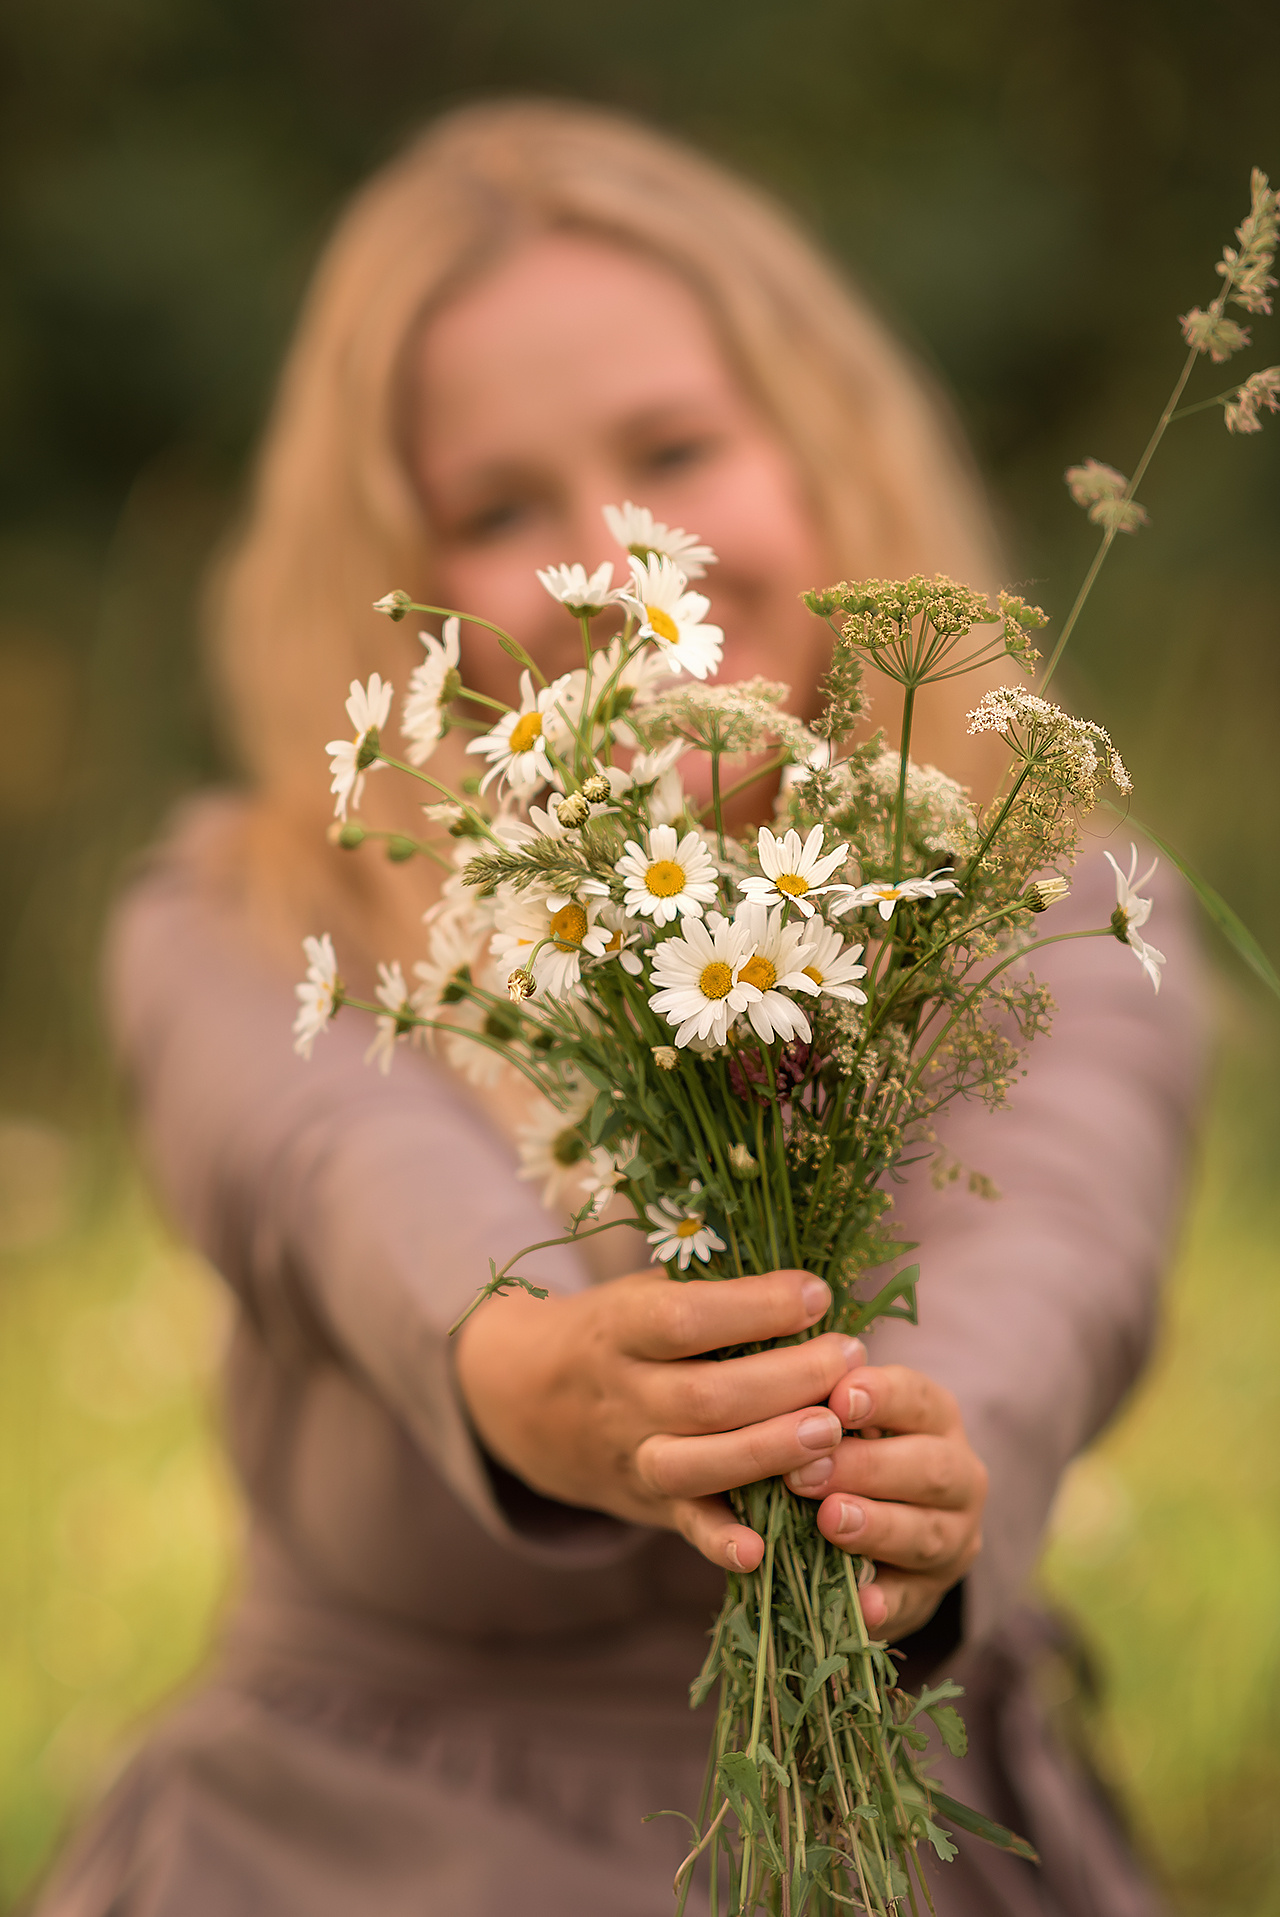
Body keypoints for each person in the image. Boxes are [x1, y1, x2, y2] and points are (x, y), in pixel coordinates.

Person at [36, 100, 1204, 1917]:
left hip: (895, 1846)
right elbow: (335, 1166)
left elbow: (1056, 1236)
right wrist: (518, 1362)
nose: (625, 556)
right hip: (347, 1849)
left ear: (832, 460)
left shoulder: (1051, 903)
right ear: (382, 592)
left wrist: (929, 1441)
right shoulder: (250, 907)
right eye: (495, 507)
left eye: (677, 445)